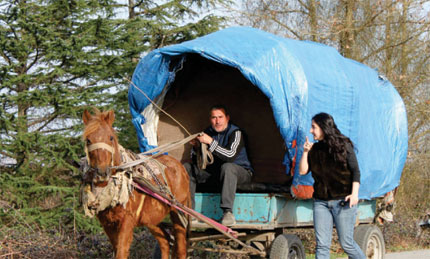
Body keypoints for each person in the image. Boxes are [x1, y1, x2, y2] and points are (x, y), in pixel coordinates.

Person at [299, 112, 365, 259]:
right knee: (322, 245)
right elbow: (303, 171)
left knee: (346, 243)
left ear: (323, 127)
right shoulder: (314, 149)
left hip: (343, 202)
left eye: (313, 127)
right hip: (320, 202)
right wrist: (305, 152)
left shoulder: (344, 146)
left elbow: (356, 171)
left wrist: (354, 194)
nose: (311, 131)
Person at [184, 105, 253, 226]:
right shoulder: (207, 132)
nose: (217, 121)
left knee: (227, 167)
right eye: (214, 118)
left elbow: (230, 156)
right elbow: (200, 161)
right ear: (210, 119)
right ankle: (189, 212)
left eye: (220, 117)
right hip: (216, 174)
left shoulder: (236, 133)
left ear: (227, 118)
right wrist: (196, 148)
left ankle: (227, 212)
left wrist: (210, 142)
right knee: (187, 168)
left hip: (240, 173)